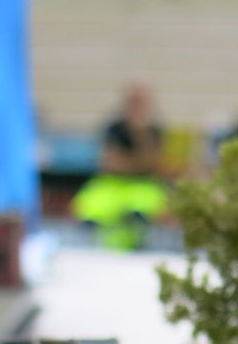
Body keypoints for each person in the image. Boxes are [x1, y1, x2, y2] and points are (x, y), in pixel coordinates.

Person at [71, 84, 170, 250]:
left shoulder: (154, 131)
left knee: (147, 204)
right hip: (113, 184)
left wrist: (139, 135)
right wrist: (138, 163)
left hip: (142, 185)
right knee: (92, 202)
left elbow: (155, 163)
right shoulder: (114, 128)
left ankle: (133, 234)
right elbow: (110, 163)